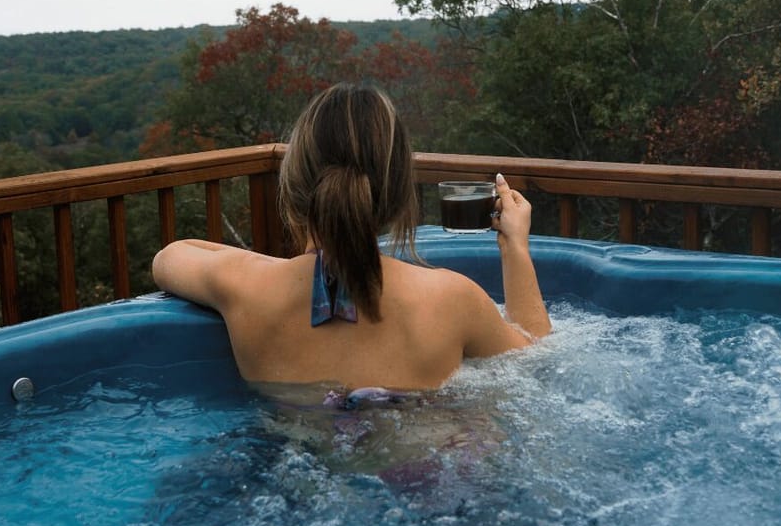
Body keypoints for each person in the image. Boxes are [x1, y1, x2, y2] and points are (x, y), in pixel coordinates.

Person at [151, 83, 550, 392]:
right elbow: (538, 361)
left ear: (293, 186)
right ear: (394, 196)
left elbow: (169, 256)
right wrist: (515, 246)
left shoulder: (243, 287)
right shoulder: (450, 300)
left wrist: (277, 269)